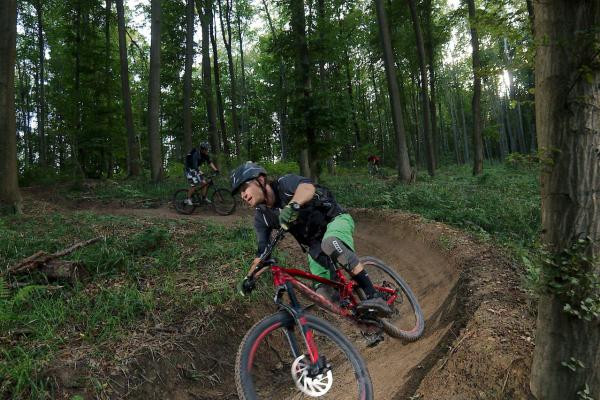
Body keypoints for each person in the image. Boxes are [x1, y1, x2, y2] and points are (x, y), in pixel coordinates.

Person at [230, 161, 392, 317]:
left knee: (329, 243)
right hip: (314, 245)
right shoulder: (262, 217)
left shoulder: (284, 184)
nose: (243, 195)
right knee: (323, 295)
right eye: (240, 193)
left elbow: (307, 188)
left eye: (245, 188)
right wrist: (249, 277)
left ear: (260, 179)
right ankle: (365, 323)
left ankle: (374, 294)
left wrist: (293, 205)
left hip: (334, 220)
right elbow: (262, 252)